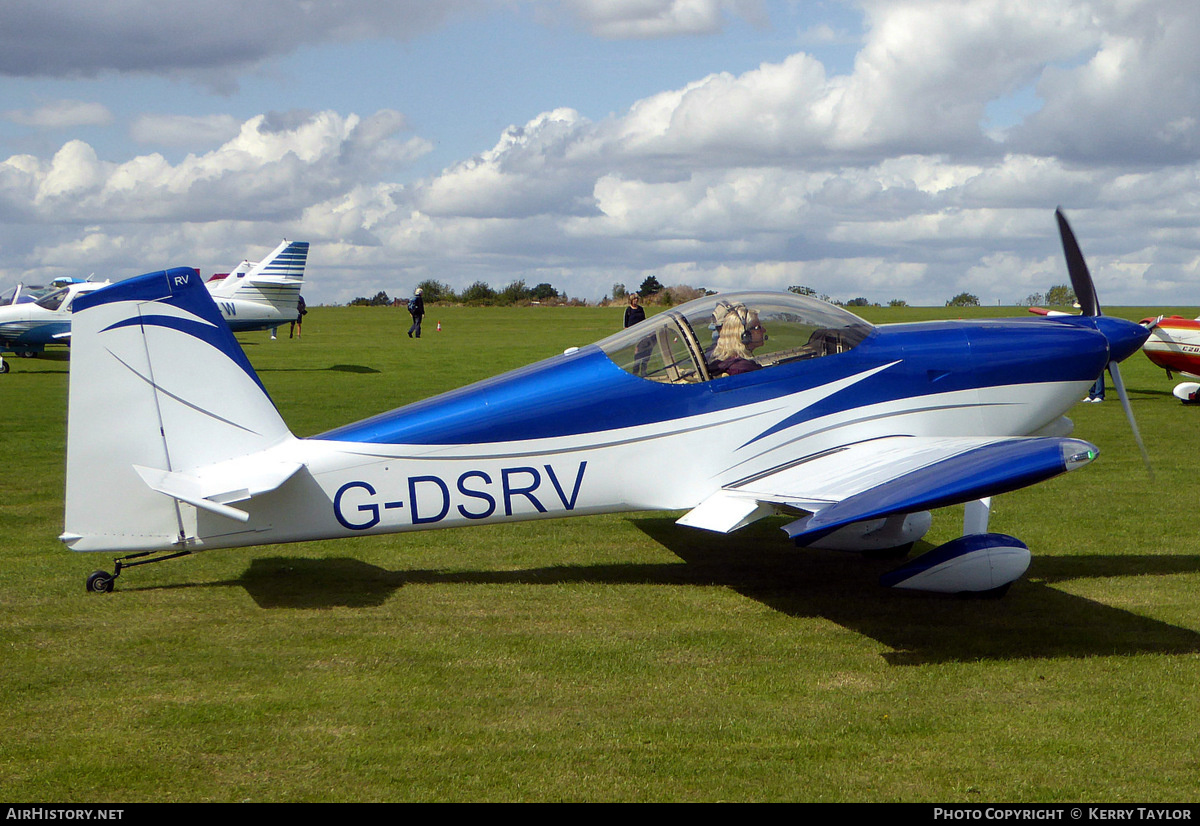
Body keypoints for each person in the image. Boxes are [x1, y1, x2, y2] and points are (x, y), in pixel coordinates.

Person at [707, 304, 766, 377]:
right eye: (758, 327)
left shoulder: (727, 364)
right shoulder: (744, 369)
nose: (764, 330)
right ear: (744, 335)